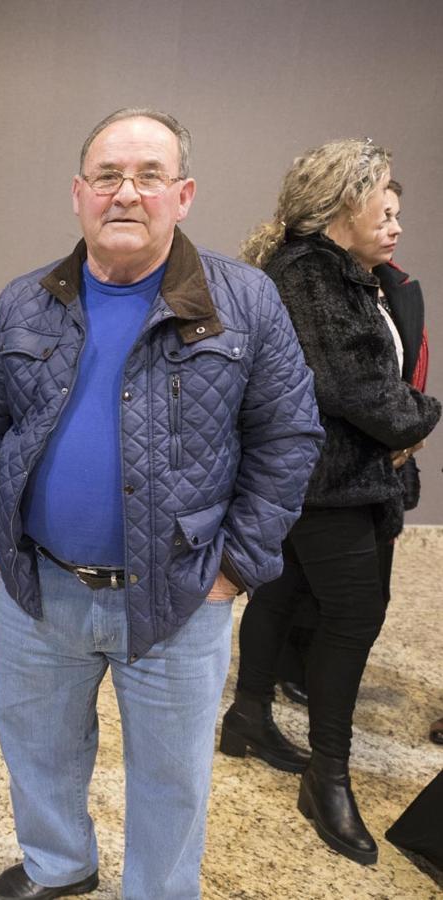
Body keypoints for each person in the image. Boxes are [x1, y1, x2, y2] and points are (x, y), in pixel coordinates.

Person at [0, 108, 323, 900]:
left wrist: (234, 568)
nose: (127, 192)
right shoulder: (26, 301)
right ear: (78, 194)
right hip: (35, 587)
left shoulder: (246, 302)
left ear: (183, 194)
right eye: (107, 176)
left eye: (149, 176)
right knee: (39, 748)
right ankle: (60, 867)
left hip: (181, 594)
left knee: (169, 774)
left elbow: (289, 437)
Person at [222, 141, 440, 865]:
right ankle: (329, 774)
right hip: (330, 482)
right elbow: (351, 388)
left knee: (284, 596)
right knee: (353, 616)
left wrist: (398, 421)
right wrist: (420, 417)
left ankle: (248, 716)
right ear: (348, 202)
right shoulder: (311, 274)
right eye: (387, 203)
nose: (396, 220)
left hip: (327, 474)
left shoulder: (336, 271)